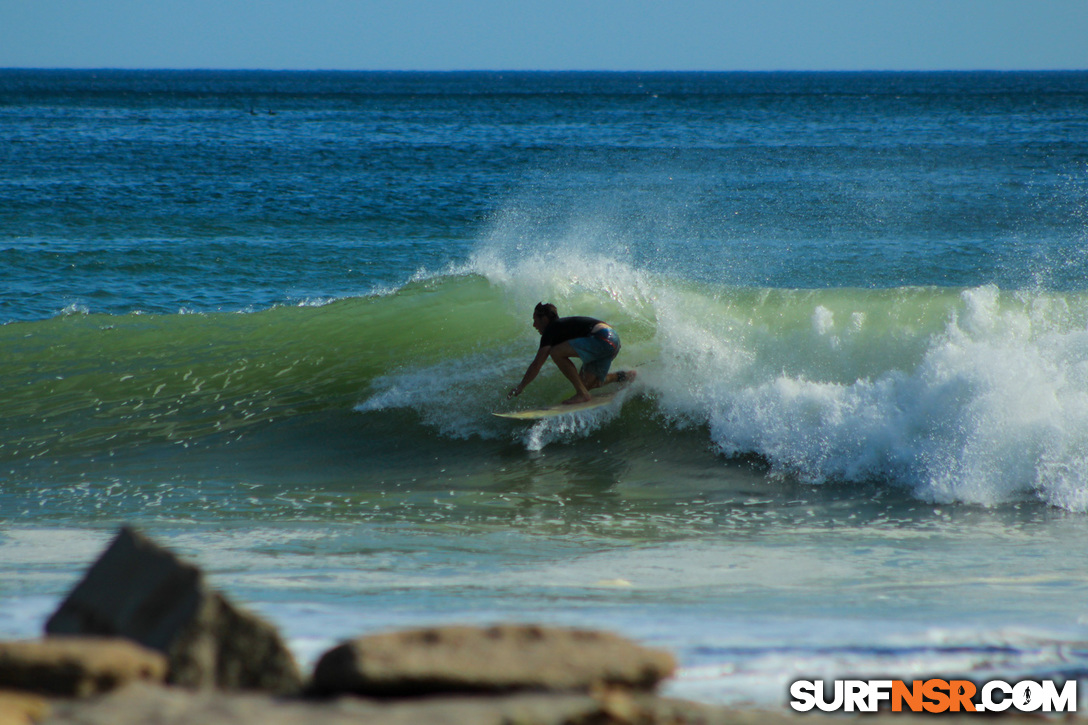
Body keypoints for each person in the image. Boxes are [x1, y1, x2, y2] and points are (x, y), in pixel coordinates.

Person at [508, 302, 635, 404]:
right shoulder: (561, 327)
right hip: (613, 340)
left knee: (556, 352)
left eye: (535, 320)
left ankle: (582, 394)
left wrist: (521, 386)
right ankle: (624, 376)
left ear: (545, 319)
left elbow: (537, 364)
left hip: (602, 338)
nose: (534, 325)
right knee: (588, 384)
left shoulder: (551, 329)